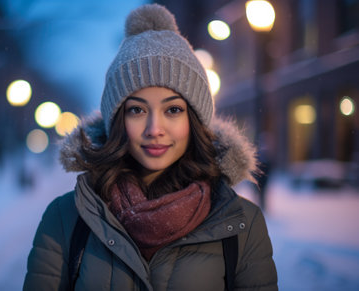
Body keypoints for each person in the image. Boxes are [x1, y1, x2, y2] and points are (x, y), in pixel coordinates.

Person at [23, 4, 277, 291]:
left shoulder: (241, 225)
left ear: (194, 121)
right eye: (137, 111)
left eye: (173, 110)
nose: (154, 129)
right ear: (117, 121)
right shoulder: (65, 220)